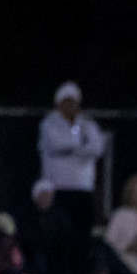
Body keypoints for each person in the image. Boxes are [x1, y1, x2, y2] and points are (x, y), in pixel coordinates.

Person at [38, 82, 106, 232]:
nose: (70, 106)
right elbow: (56, 145)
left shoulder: (87, 124)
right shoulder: (49, 124)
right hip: (58, 188)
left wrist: (72, 148)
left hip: (83, 188)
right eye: (66, 101)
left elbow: (97, 148)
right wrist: (81, 146)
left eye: (73, 102)